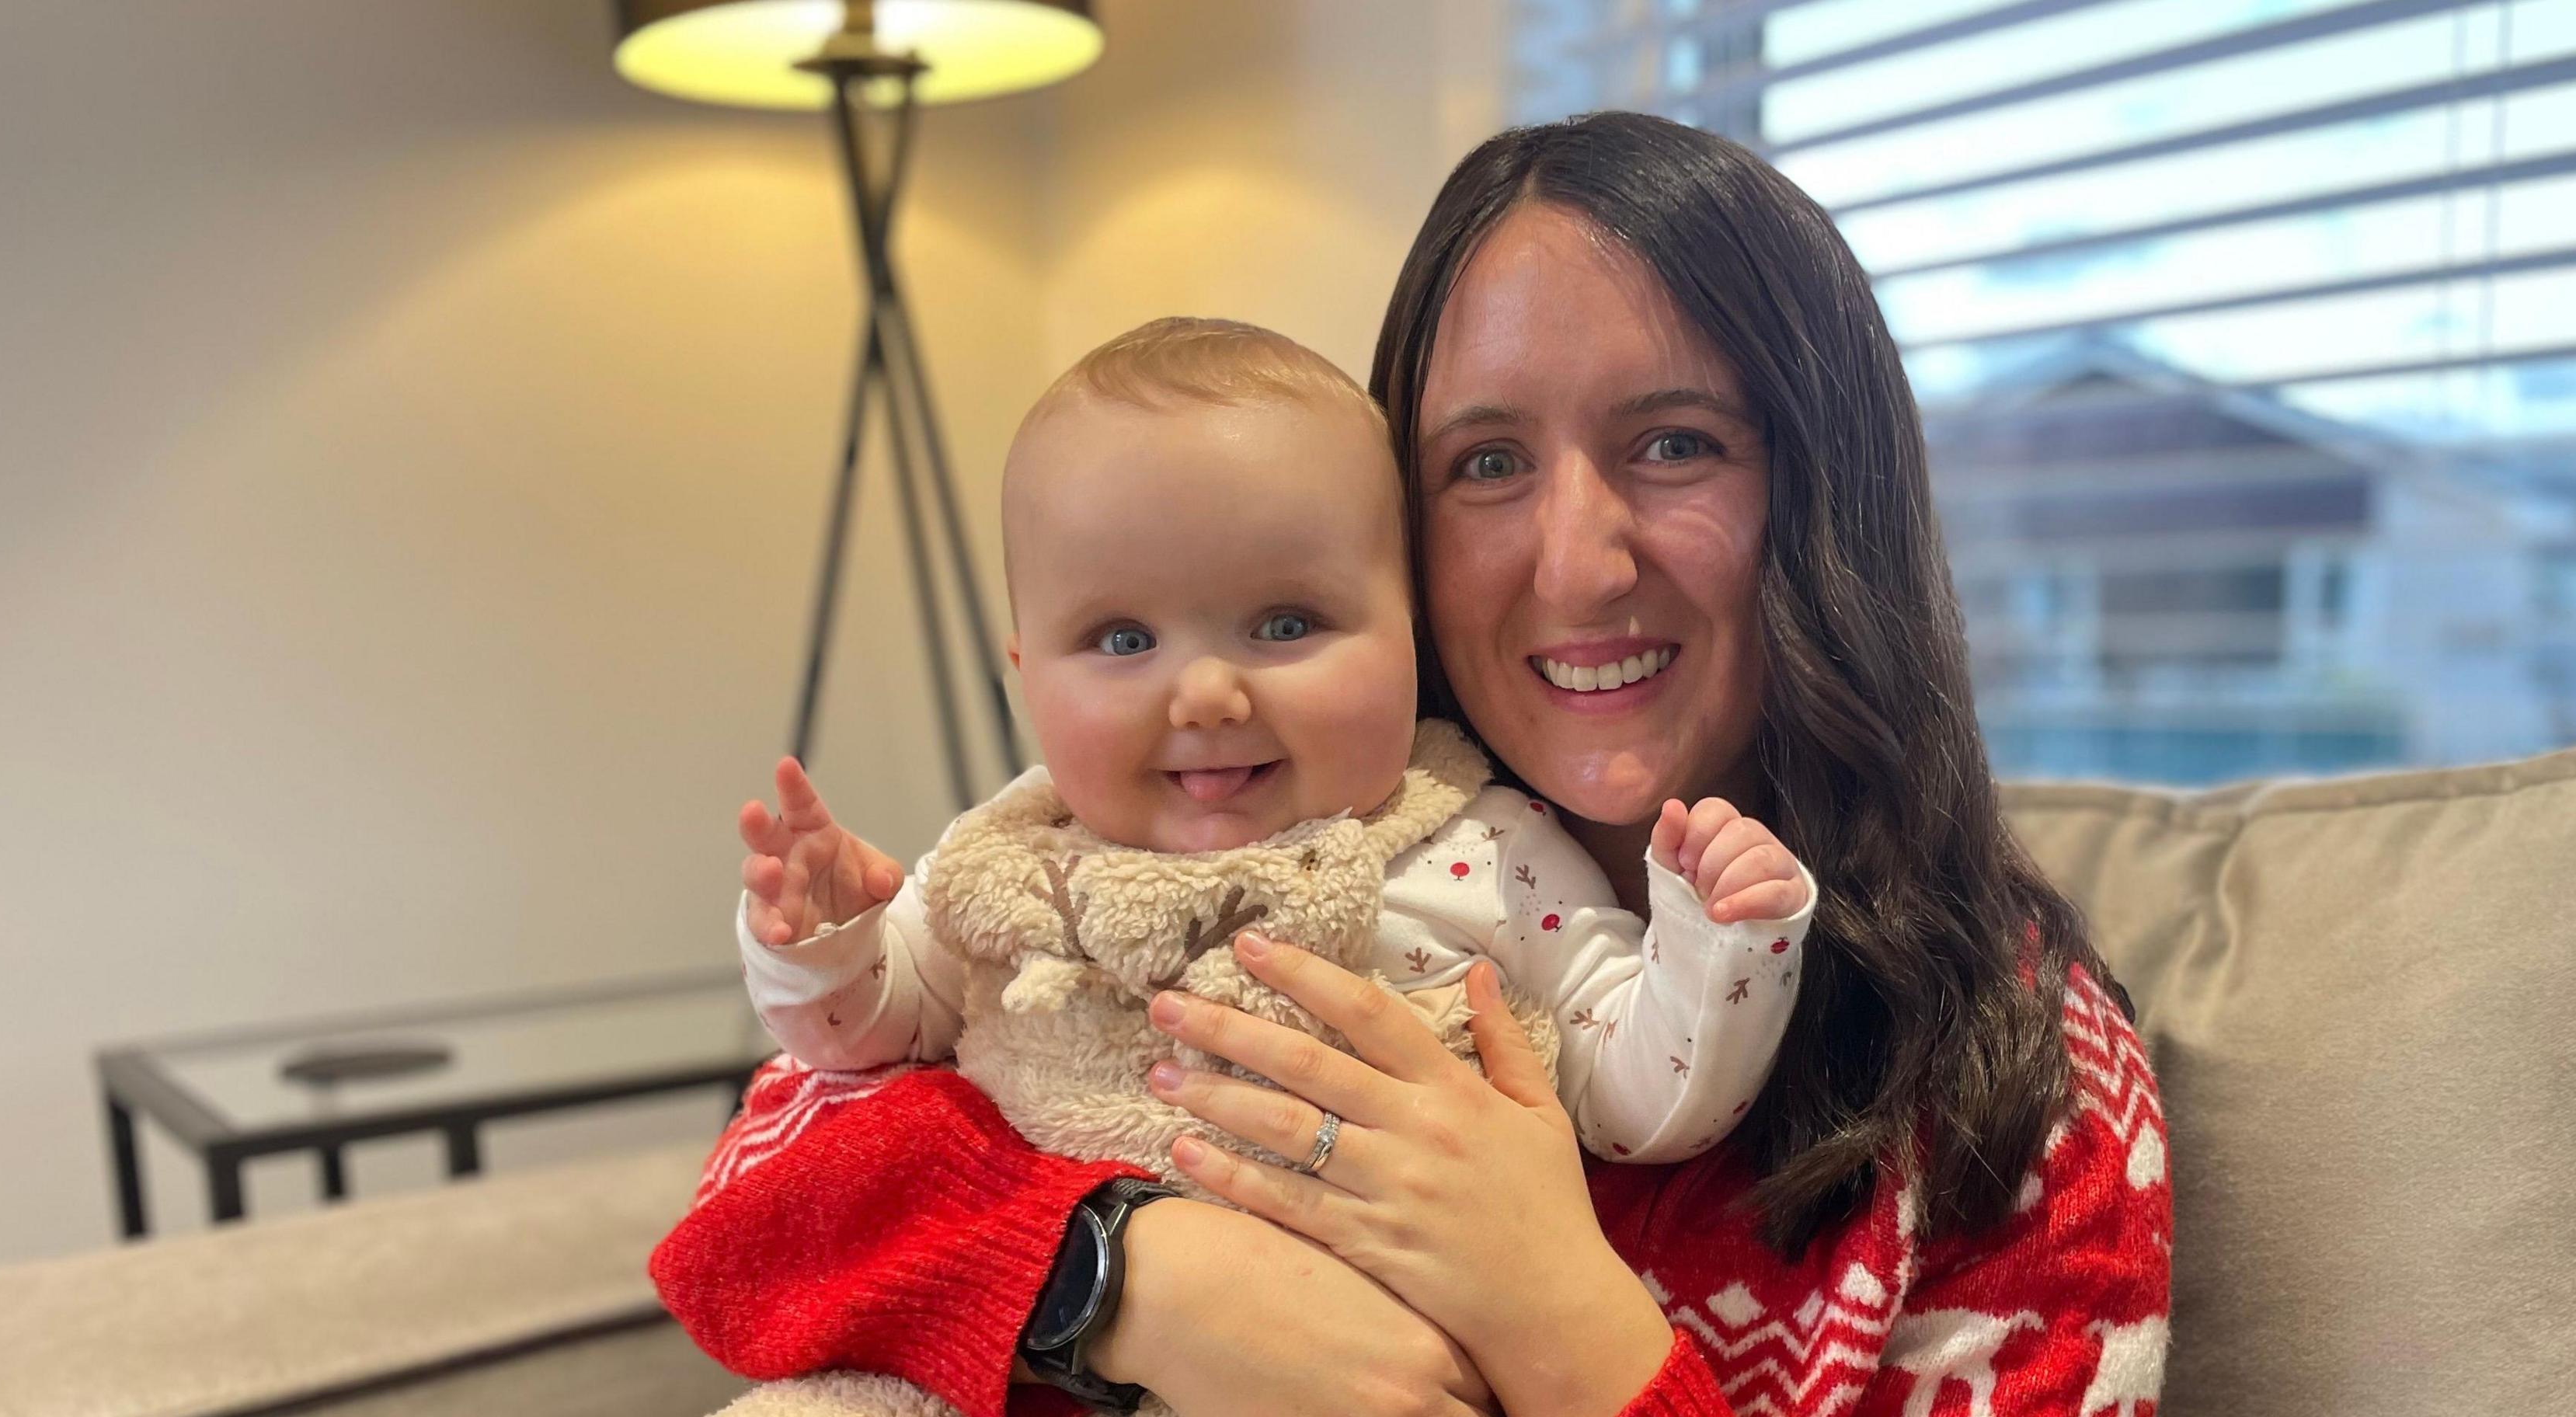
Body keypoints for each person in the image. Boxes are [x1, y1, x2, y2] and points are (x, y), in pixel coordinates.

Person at [647, 111, 2171, 1417]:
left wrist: (1555, 1319)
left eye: (1676, 443)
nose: (1577, 565)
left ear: (1823, 488)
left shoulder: (2017, 1068)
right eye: (1488, 462)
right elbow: (745, 1218)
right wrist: (1128, 1280)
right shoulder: (1211, 862)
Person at [740, 319, 1814, 1178]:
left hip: (1363, 1380)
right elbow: (864, 1047)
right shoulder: (1015, 859)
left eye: (1287, 625)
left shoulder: (1484, 854)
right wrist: (828, 948)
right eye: (1123, 640)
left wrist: (1715, 945)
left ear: (1411, 637)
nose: (1207, 694)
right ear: (1026, 676)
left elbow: (1636, 1103)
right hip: (1036, 1375)